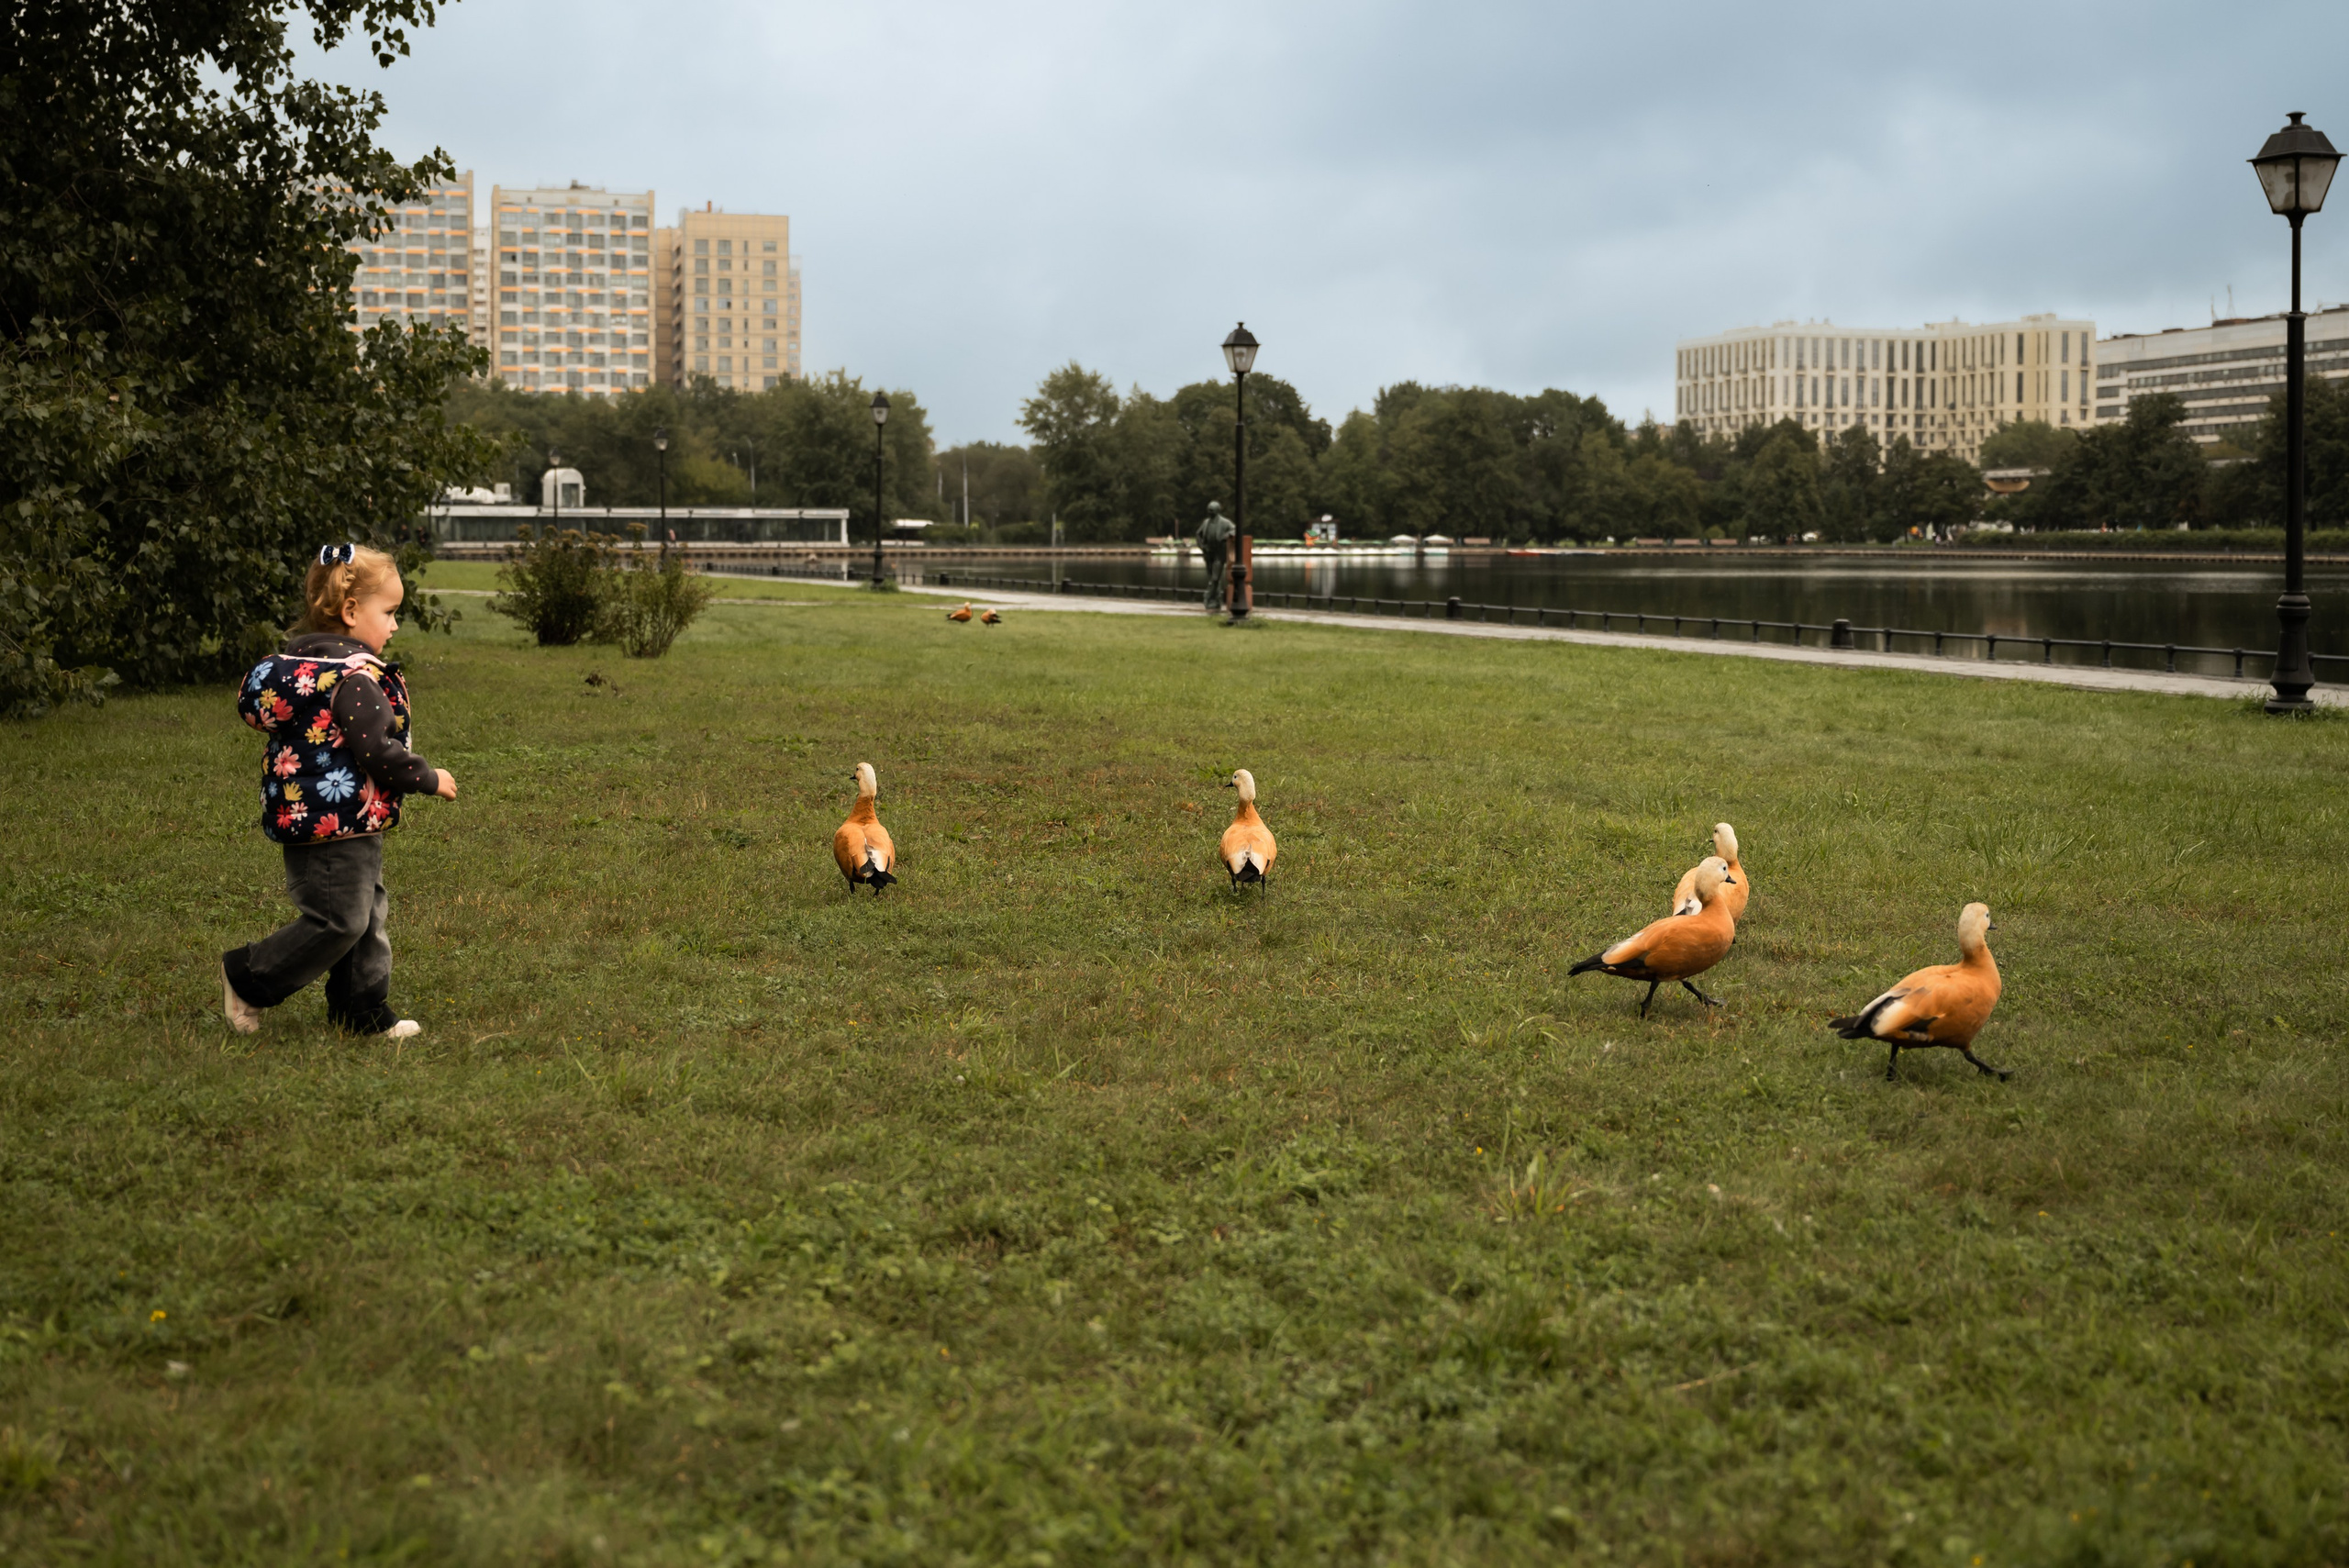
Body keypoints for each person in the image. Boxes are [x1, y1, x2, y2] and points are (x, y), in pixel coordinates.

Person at [220, 544, 457, 1039]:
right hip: (334, 823)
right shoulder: (352, 679)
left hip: (337, 815)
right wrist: (428, 778)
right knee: (340, 921)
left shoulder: (307, 667)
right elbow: (377, 751)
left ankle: (360, 1010)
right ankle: (249, 976)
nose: (394, 625)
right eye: (388, 612)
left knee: (365, 917)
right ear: (351, 611)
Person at [1196, 501, 1235, 611]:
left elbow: (1235, 529)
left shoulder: (1224, 522)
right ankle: (1216, 601)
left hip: (1219, 553)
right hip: (1208, 553)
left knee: (1215, 577)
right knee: (1212, 578)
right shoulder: (1206, 522)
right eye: (1209, 510)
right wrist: (1202, 546)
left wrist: (1226, 536)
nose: (1210, 512)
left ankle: (1207, 597)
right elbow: (1198, 534)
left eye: (1212, 510)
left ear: (1217, 511)